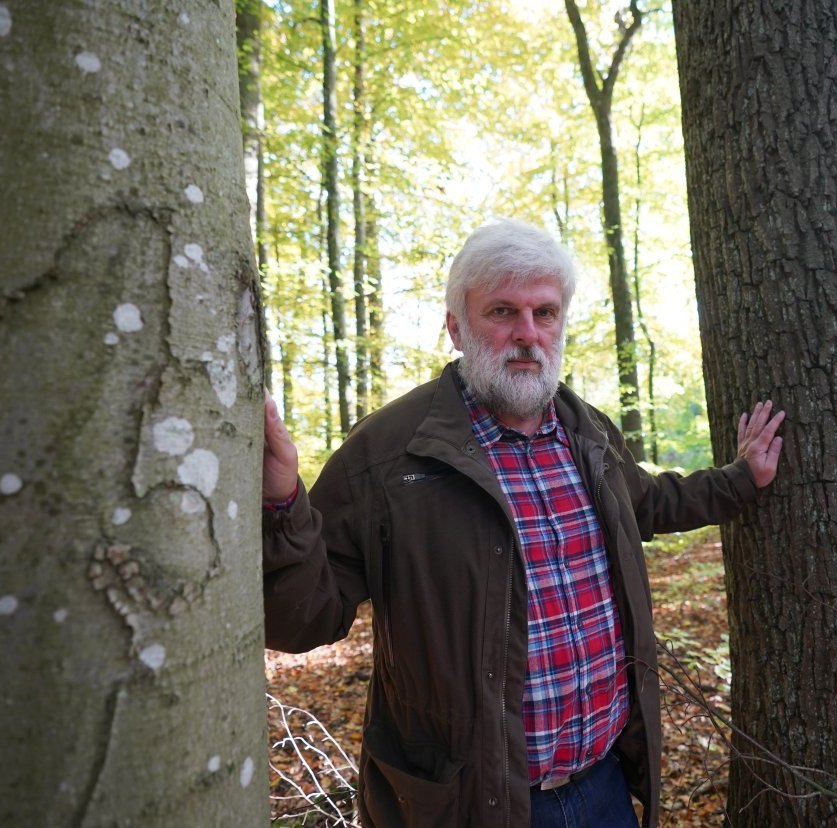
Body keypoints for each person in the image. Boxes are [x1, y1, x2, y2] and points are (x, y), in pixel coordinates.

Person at [261, 217, 785, 828]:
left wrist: (741, 479)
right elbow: (303, 619)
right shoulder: (387, 455)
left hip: (605, 787)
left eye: (545, 313)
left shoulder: (586, 430)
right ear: (457, 327)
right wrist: (280, 507)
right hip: (468, 805)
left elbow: (649, 503)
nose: (527, 334)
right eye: (502, 311)